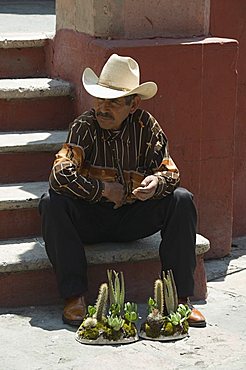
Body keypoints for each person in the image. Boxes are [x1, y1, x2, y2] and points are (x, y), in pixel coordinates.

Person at [39, 53, 206, 328]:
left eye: (113, 103)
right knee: (51, 202)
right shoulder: (85, 126)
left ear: (133, 104)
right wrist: (102, 190)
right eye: (100, 99)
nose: (103, 108)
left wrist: (155, 184)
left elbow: (170, 172)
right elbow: (59, 174)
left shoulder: (146, 126)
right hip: (90, 218)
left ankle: (179, 301)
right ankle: (74, 297)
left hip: (132, 218)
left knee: (181, 200)